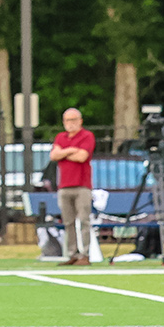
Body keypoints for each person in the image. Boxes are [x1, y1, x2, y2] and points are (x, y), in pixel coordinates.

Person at [51, 108, 96, 266]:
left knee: (84, 220)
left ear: (80, 121)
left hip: (82, 185)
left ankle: (85, 254)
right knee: (68, 222)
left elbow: (82, 156)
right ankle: (73, 253)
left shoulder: (87, 136)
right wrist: (70, 150)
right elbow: (54, 155)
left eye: (73, 120)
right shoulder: (60, 137)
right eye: (67, 120)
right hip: (64, 186)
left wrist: (63, 153)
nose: (70, 124)